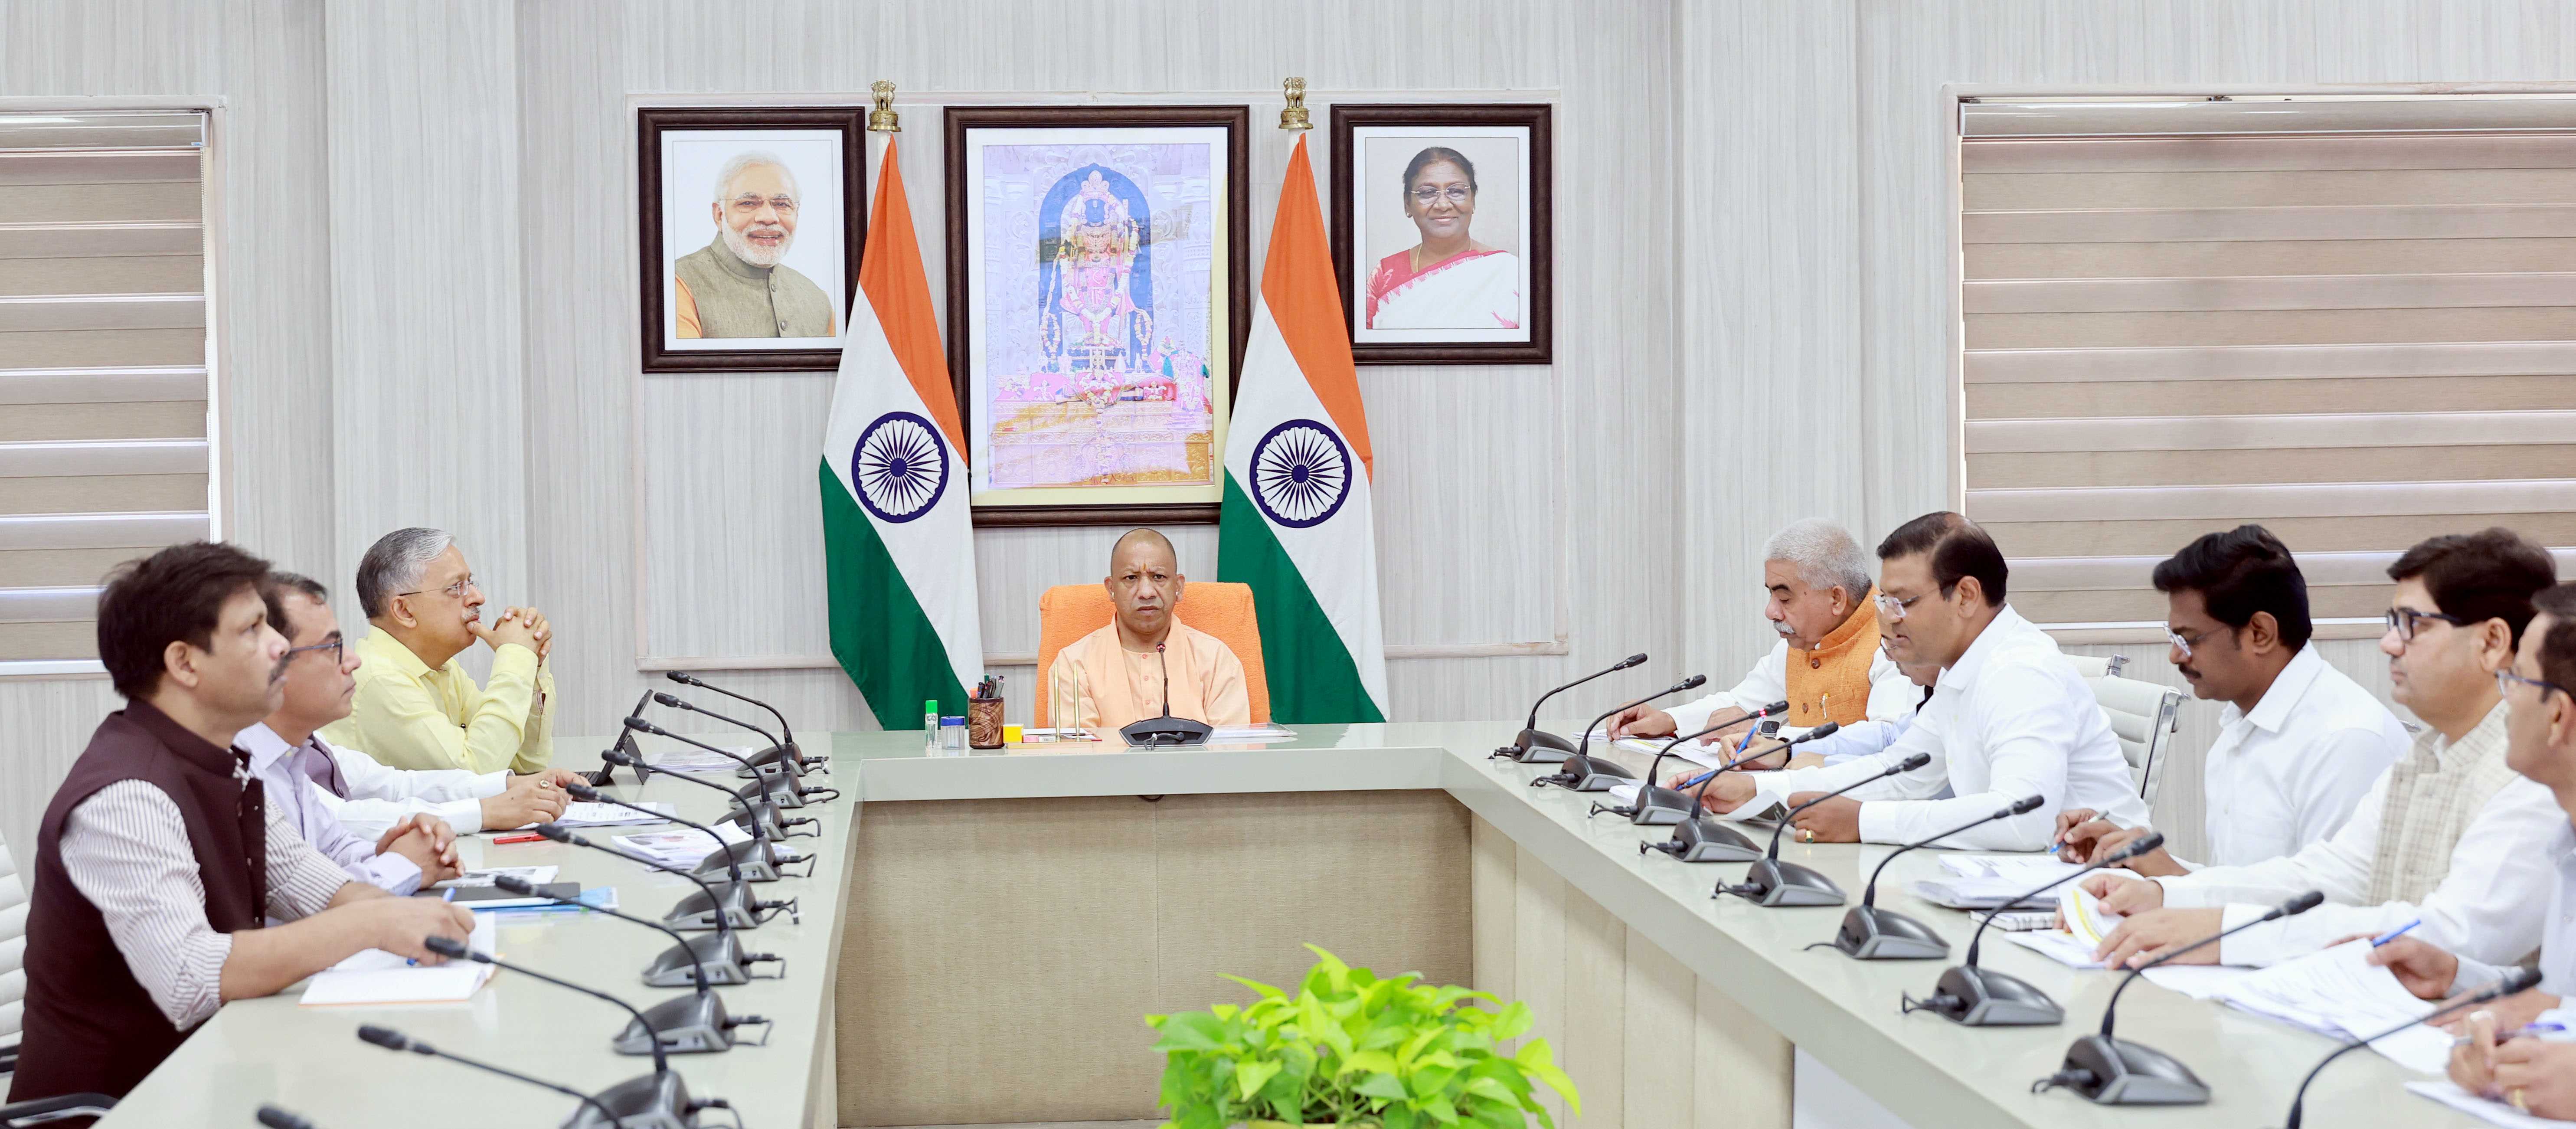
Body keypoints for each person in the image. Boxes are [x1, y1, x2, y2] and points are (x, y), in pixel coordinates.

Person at [7, 543, 476, 1107]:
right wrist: (376, 921)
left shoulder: (225, 762)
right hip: (127, 1106)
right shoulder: (127, 793)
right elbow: (192, 977)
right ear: (185, 663)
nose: (281, 645)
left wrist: (412, 916)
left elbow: (319, 888)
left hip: (217, 1074)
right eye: (253, 629)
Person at [2081, 529, 2563, 971]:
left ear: (2492, 640)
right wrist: (2167, 895)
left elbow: (2452, 936)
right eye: (2391, 621)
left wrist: (2222, 931)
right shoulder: (2427, 753)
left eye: (2412, 623)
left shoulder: (2535, 768)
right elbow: (2332, 873)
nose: (2389, 643)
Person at [1689, 512, 2151, 849]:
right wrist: (1759, 790)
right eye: (1885, 600)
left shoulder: (2019, 670)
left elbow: (2023, 818)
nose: (1888, 619)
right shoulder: (1962, 670)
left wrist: (1865, 822)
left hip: (2100, 889)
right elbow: (1902, 773)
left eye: (1903, 601)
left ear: (1966, 595)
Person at [2054, 526, 2408, 873]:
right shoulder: (2242, 722)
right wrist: (2139, 860)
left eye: (2190, 639)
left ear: (2260, 633)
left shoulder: (2346, 741)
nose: (2176, 657)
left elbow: (2326, 915)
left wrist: (2172, 883)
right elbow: (2242, 885)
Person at [2365, 583, 2576, 1119]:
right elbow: (2561, 1003)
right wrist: (2460, 978)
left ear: (2559, 717)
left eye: (2515, 679)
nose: (2503, 701)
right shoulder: (2566, 842)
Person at [240, 574, 578, 897]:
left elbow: (389, 790)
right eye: (456, 586)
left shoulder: (297, 748)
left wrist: (508, 785)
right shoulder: (243, 767)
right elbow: (339, 841)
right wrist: (484, 811)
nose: (478, 597)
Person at [1609, 519, 1917, 748]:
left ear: (1836, 599)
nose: (1771, 612)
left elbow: (1887, 737)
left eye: (1784, 599)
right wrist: (1669, 720)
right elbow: (1741, 705)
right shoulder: (1802, 641)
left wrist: (1773, 738)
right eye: (1771, 596)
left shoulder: (1894, 638)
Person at [323, 527, 556, 774]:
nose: (478, 597)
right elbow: (476, 773)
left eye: (471, 583)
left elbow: (525, 760)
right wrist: (515, 657)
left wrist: (532, 664)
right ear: (404, 611)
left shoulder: (441, 667)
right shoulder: (379, 679)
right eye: (456, 587)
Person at [1047, 528, 1250, 731]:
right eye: (1131, 578)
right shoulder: (1074, 664)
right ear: (1111, 589)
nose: (1146, 592)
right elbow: (1077, 755)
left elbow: (1230, 753)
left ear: (1178, 587)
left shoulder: (1215, 659)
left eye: (1159, 577)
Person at [674, 150, 836, 339]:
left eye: (782, 204)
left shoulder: (817, 299)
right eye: (749, 203)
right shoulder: (677, 285)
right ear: (719, 215)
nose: (768, 218)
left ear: (797, 215)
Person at [1363, 146, 1521, 331]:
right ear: (1408, 204)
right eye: (1427, 193)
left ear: (1473, 200)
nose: (1443, 205)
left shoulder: (1511, 274)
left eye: (1456, 191)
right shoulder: (1385, 274)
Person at [1777, 642, 1940, 771]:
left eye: (1897, 641)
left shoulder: (1960, 696)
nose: (1889, 657)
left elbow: (1908, 773)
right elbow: (1890, 737)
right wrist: (1786, 749)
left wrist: (1830, 765)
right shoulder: (1940, 690)